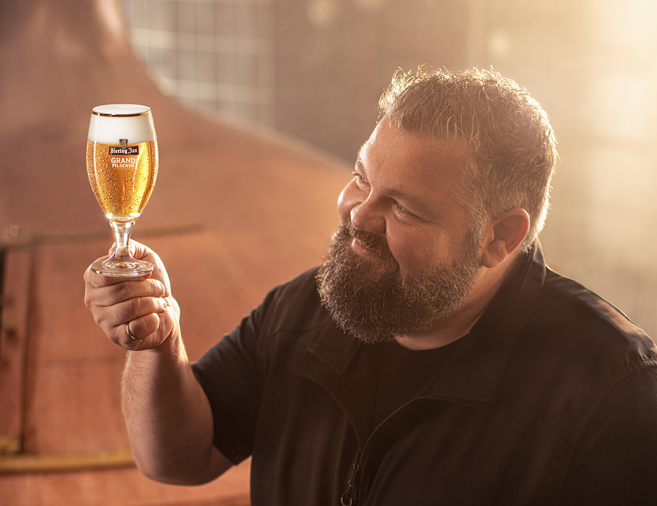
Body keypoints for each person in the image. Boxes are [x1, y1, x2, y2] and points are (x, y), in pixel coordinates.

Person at [84, 68, 657, 505]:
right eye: (361, 177)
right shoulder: (304, 309)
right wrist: (156, 344)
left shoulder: (613, 392)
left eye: (403, 207)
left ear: (499, 236)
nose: (358, 214)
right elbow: (179, 457)